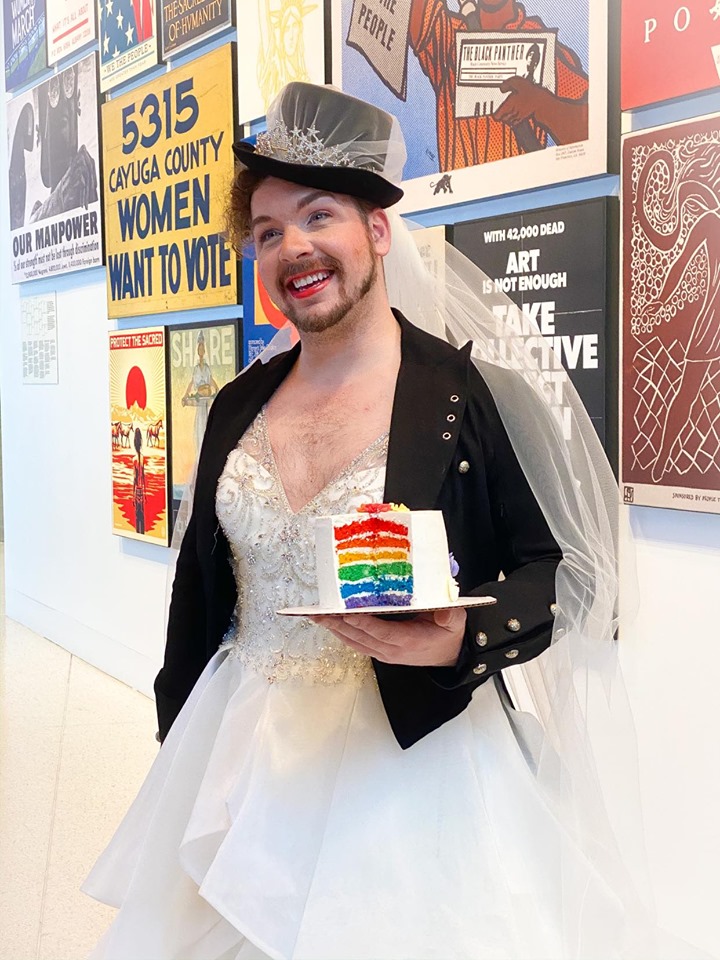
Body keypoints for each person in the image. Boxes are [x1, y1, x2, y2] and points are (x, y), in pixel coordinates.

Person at [84, 83, 678, 960]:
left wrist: (455, 644)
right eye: (267, 232)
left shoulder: (468, 396)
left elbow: (552, 569)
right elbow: (199, 592)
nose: (293, 247)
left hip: (414, 763)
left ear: (377, 231)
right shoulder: (237, 405)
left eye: (317, 215)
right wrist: (178, 744)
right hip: (240, 753)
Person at [409, 0, 589, 169]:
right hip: (461, 195)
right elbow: (413, 19)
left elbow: (592, 131)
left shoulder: (538, 39)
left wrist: (542, 104)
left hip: (526, 194)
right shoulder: (448, 36)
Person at [181, 330, 220, 456]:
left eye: (203, 348)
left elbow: (212, 381)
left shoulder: (207, 368)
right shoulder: (196, 369)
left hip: (206, 399)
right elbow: (192, 383)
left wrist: (218, 391)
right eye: (199, 348)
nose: (201, 351)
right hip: (200, 399)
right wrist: (186, 396)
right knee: (199, 428)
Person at [131, 427, 146, 536]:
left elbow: (134, 479)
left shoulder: (135, 459)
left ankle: (139, 533)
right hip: (141, 490)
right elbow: (142, 477)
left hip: (137, 490)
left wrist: (133, 494)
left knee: (138, 516)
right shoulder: (141, 459)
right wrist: (144, 493)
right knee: (141, 516)